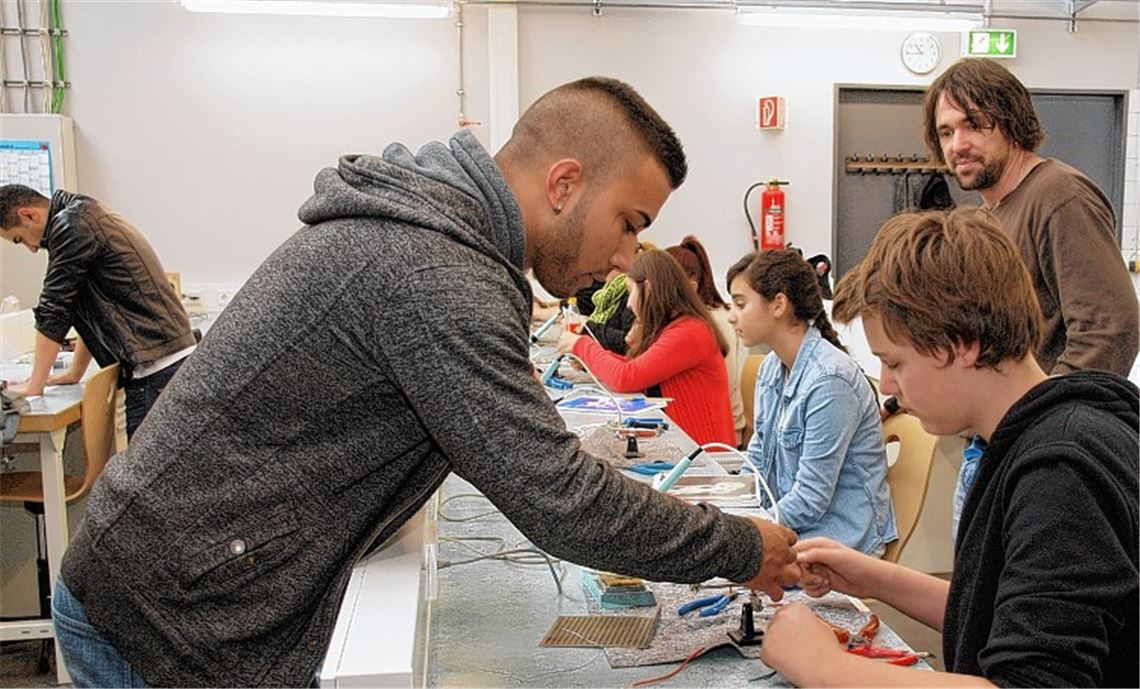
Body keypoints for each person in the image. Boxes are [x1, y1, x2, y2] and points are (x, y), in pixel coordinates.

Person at [52, 77, 800, 688]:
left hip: (177, 580)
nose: (628, 254)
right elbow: (558, 496)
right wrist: (738, 547)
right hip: (163, 611)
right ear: (566, 183)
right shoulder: (436, 273)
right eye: (629, 221)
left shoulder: (434, 243)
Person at [761, 208, 1138, 688]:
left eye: (894, 362)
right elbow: (1001, 616)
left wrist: (822, 665)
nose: (889, 385)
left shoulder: (1062, 471)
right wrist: (875, 578)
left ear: (963, 344)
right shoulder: (1032, 438)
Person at [923, 57, 1138, 377]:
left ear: (1011, 121)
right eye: (946, 132)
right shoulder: (984, 218)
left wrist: (1046, 413)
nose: (958, 145)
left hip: (1043, 419)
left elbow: (1110, 329)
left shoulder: (1059, 195)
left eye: (973, 125)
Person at [725, 249, 897, 555]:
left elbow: (811, 499)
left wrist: (744, 530)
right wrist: (731, 508)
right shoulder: (770, 368)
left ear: (778, 304)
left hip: (839, 540)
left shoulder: (829, 380)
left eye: (740, 304)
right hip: (797, 527)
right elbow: (758, 460)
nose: (731, 315)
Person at [0, 185, 196, 438]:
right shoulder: (85, 214)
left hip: (155, 369)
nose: (31, 248)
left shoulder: (71, 226)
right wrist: (74, 373)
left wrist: (34, 385)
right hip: (163, 359)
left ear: (29, 215)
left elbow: (54, 310)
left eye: (20, 238)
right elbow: (88, 308)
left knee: (149, 474)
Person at [558, 248, 737, 447]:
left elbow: (627, 376)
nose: (628, 304)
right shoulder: (680, 327)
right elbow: (635, 366)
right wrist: (589, 362)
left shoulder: (690, 332)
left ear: (648, 289)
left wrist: (580, 344)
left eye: (630, 292)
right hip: (686, 445)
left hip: (704, 453)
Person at [666, 235, 746, 446]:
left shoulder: (705, 326)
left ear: (691, 286)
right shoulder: (703, 320)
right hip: (718, 429)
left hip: (719, 436)